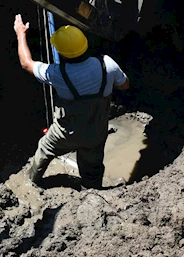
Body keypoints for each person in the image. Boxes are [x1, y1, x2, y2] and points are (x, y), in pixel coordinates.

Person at [13, 14, 129, 189]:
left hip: (66, 133)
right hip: (96, 132)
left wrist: (20, 34)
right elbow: (124, 85)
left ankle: (32, 183)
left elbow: (26, 63)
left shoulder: (56, 73)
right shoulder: (107, 64)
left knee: (45, 148)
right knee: (93, 165)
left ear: (60, 52)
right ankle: (92, 192)